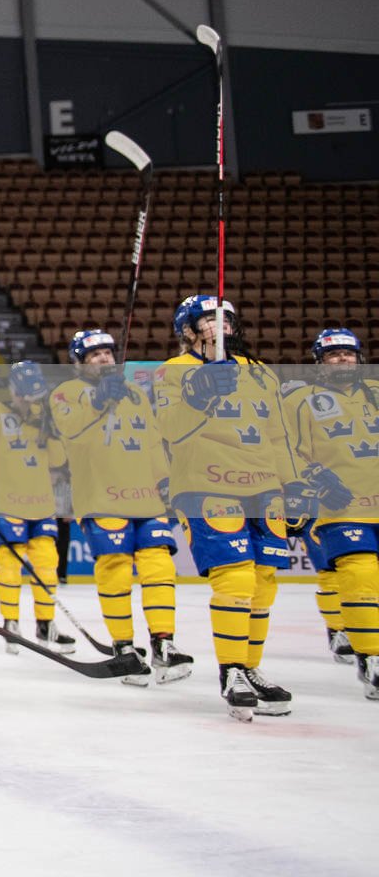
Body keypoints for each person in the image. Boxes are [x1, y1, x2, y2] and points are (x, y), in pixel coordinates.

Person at [156, 294, 298, 720]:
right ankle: (231, 670)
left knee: (263, 580)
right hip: (206, 486)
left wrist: (293, 483)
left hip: (264, 487)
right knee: (235, 578)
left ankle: (251, 668)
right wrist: (198, 396)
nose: (221, 327)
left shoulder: (261, 373)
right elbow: (169, 430)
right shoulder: (172, 372)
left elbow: (279, 436)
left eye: (227, 320)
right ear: (188, 330)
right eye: (209, 321)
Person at [49, 327, 192, 685]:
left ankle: (164, 642)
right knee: (114, 568)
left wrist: (165, 480)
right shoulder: (66, 393)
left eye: (108, 354)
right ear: (79, 363)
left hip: (145, 496)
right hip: (100, 496)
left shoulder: (133, 394)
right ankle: (123, 647)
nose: (104, 359)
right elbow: (70, 431)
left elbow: (152, 441)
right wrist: (98, 401)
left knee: (158, 563)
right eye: (95, 355)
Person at [281, 328, 377, 700]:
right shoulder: (301, 400)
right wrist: (314, 478)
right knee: (357, 572)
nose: (343, 360)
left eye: (348, 354)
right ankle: (369, 655)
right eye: (334, 355)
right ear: (319, 364)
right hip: (339, 505)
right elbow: (284, 447)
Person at [0, 360, 76, 655]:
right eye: (25, 395)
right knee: (10, 566)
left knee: (47, 566)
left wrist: (53, 433)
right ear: (14, 390)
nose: (29, 402)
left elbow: (56, 461)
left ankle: (46, 623)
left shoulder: (44, 417)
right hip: (6, 502)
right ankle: (11, 623)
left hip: (42, 504)